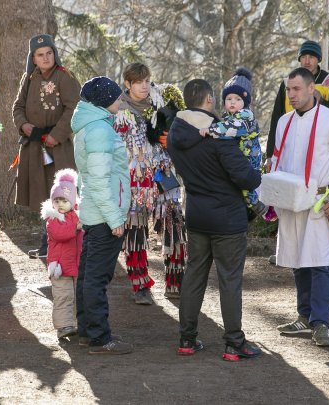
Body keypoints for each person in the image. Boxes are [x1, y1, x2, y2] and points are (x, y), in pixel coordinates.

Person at [167, 79, 263, 360]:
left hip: (196, 214)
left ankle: (187, 338)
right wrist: (257, 169)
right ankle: (234, 343)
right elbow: (247, 177)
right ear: (209, 99)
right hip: (228, 219)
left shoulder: (175, 132)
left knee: (194, 275)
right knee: (229, 280)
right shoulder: (219, 136)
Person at [272, 68, 329, 347]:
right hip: (291, 202)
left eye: (297, 89)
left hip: (319, 203)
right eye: (289, 90)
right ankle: (304, 316)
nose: (292, 94)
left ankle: (321, 323)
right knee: (299, 259)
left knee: (320, 262)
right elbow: (277, 162)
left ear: (313, 89)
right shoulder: (284, 122)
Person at [113, 62, 187, 304]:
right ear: (128, 84)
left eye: (146, 81)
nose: (144, 86)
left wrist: (171, 141)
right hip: (135, 177)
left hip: (165, 173)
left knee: (174, 223)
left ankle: (175, 281)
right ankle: (140, 284)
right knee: (135, 228)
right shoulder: (119, 108)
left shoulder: (163, 100)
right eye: (138, 82)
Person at [71, 76, 132, 354]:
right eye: (117, 97)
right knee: (96, 277)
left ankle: (87, 332)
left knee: (88, 275)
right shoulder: (99, 130)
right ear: (105, 100)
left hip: (97, 213)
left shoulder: (92, 126)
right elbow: (97, 180)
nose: (120, 101)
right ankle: (98, 337)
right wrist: (115, 218)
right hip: (104, 216)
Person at [12, 34, 81, 258]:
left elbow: (74, 108)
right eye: (40, 55)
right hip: (34, 146)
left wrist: (57, 135)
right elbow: (17, 107)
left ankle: (69, 242)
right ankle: (48, 241)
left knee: (61, 194)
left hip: (58, 147)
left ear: (54, 53)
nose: (45, 58)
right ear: (33, 58)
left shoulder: (65, 77)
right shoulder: (29, 78)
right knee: (42, 193)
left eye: (49, 53)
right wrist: (24, 126)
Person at [199, 68, 269, 219]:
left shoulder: (245, 115)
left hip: (251, 158)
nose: (232, 102)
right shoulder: (227, 117)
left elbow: (231, 129)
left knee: (246, 187)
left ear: (245, 101)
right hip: (240, 158)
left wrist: (210, 130)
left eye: (237, 99)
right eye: (229, 98)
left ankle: (260, 208)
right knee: (238, 184)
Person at [266, 40, 329, 164]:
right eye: (303, 57)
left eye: (311, 57)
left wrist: (321, 101)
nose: (307, 61)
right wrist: (270, 154)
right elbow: (276, 119)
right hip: (290, 144)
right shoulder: (287, 83)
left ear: (319, 59)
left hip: (321, 147)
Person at [41, 168, 84, 340]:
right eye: (56, 200)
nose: (59, 204)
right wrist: (76, 228)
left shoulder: (78, 216)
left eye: (64, 200)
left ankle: (78, 323)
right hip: (59, 266)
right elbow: (60, 234)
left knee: (77, 296)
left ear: (73, 201)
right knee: (63, 297)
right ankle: (63, 326)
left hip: (77, 265)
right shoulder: (53, 219)